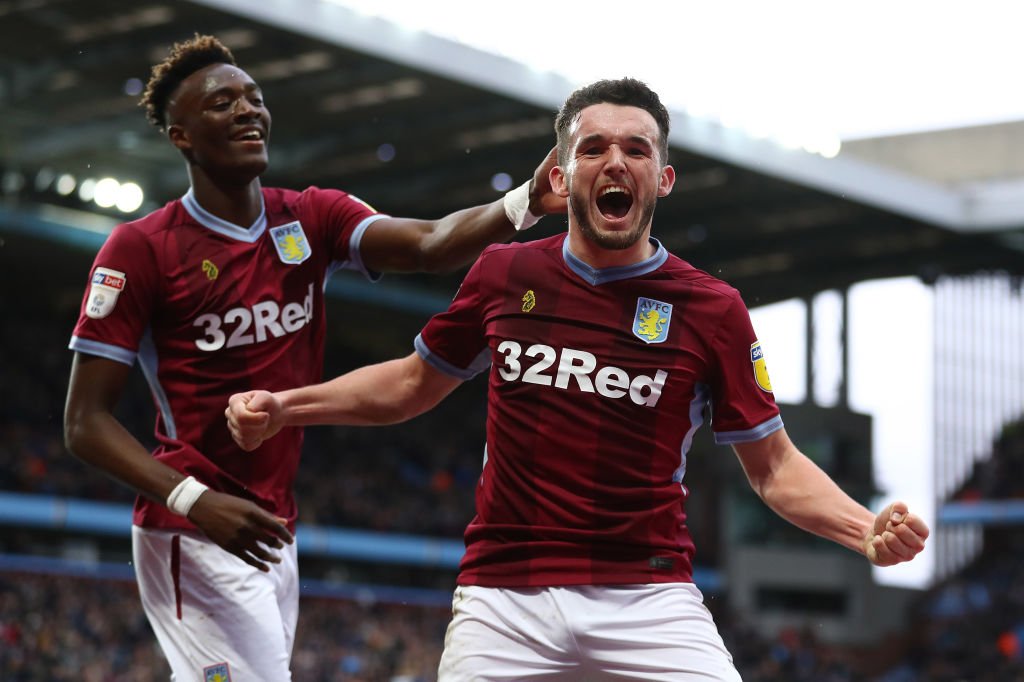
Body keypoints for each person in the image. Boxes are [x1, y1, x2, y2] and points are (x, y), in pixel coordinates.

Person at [225, 77, 930, 681]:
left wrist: (864, 529)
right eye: (592, 148)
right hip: (504, 597)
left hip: (649, 598)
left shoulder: (713, 310)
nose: (614, 161)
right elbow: (413, 383)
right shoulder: (505, 272)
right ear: (560, 177)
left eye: (637, 149)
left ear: (663, 178)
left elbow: (773, 466)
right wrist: (287, 406)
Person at [62, 34, 561, 682]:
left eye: (254, 98)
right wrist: (193, 499)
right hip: (193, 525)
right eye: (222, 103)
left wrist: (524, 200)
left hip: (270, 523)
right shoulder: (141, 249)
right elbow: (83, 424)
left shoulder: (309, 217)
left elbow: (431, 244)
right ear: (181, 136)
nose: (247, 110)